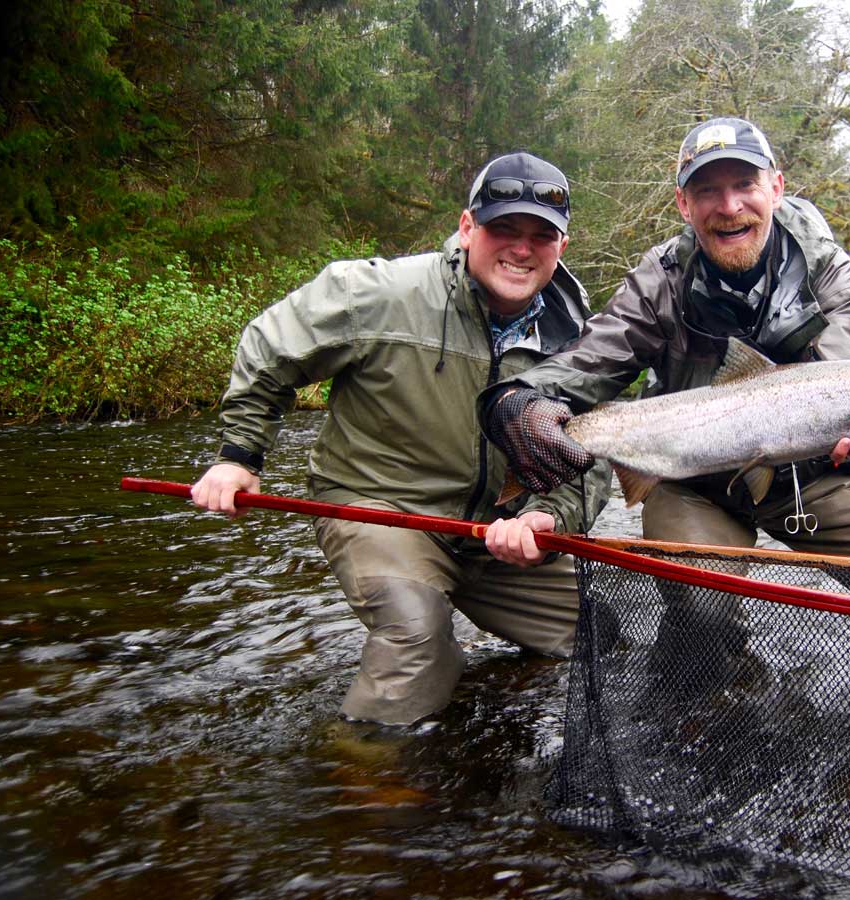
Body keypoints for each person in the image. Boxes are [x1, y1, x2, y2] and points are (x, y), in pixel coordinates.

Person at [481, 118, 850, 692]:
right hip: (693, 479)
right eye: (707, 191)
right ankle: (707, 701)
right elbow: (596, 356)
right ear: (683, 204)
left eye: (744, 184)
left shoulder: (825, 269)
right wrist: (524, 400)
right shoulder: (662, 278)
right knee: (701, 602)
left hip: (815, 474)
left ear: (775, 187)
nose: (729, 206)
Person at [190, 151, 611, 727]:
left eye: (541, 235)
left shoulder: (582, 340)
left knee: (598, 639)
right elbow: (269, 349)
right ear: (467, 227)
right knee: (418, 638)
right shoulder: (378, 292)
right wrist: (239, 456)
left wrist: (548, 520)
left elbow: (591, 458)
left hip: (496, 533)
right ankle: (364, 782)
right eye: (503, 228)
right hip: (380, 509)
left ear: (562, 245)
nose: (521, 248)